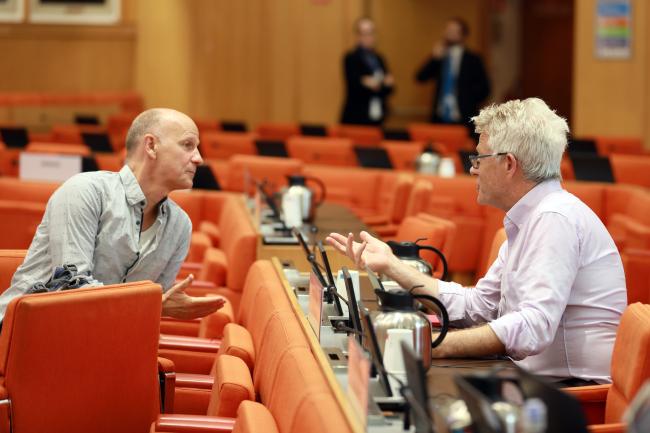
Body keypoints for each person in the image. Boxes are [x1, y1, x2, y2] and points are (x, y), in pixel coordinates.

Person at [328, 98, 627, 385]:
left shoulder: (554, 218)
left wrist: (434, 345)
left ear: (509, 164)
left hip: (573, 395)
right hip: (533, 380)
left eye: (479, 158)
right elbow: (478, 307)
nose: (473, 169)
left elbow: (533, 329)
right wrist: (392, 266)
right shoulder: (532, 216)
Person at [0, 108, 226, 322]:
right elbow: (69, 286)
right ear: (151, 146)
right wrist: (153, 303)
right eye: (187, 145)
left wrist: (157, 305)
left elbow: (150, 308)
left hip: (97, 343)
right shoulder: (85, 191)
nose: (198, 158)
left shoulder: (180, 226)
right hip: (22, 333)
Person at [415, 17, 490, 130]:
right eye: (447, 30)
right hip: (440, 119)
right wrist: (434, 59)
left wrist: (467, 100)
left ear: (463, 35)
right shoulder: (440, 56)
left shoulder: (473, 59)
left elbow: (485, 89)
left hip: (464, 119)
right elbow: (420, 77)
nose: (448, 34)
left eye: (453, 31)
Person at [340, 17, 394, 126]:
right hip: (356, 116)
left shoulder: (379, 58)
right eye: (365, 33)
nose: (369, 37)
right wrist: (377, 83)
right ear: (358, 36)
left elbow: (389, 86)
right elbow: (354, 84)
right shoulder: (351, 58)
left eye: (371, 33)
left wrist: (374, 83)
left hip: (376, 116)